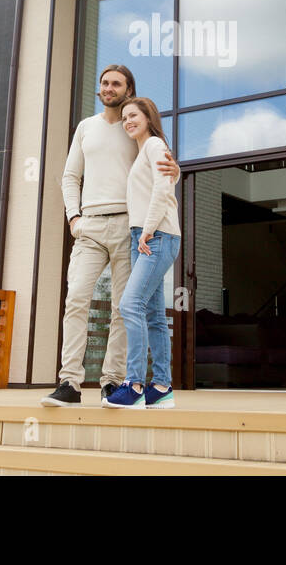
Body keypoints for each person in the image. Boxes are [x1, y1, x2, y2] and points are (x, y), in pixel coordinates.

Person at [42, 64, 178, 407]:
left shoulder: (135, 128)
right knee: (76, 300)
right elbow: (70, 176)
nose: (109, 88)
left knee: (122, 307)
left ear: (128, 89)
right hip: (89, 226)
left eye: (116, 83)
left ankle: (112, 381)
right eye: (104, 83)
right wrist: (73, 217)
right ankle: (69, 383)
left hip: (127, 226)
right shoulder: (86, 128)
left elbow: (160, 168)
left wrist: (176, 169)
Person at [104, 96, 181, 410]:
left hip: (156, 234)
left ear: (149, 117)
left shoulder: (154, 146)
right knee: (153, 316)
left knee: (129, 304)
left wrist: (147, 229)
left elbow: (163, 189)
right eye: (124, 118)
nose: (128, 121)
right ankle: (161, 387)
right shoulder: (142, 152)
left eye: (133, 115)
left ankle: (134, 385)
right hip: (145, 235)